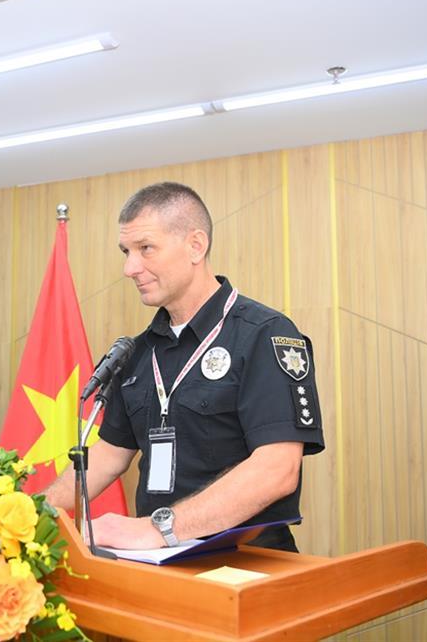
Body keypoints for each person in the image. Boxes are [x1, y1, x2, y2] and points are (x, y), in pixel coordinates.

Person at [43, 182, 325, 552]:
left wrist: (158, 530)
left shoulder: (265, 335)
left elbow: (277, 470)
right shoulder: (137, 353)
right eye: (126, 251)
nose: (130, 267)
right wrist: (26, 515)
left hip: (248, 564)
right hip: (156, 564)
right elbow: (107, 457)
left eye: (146, 249)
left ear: (196, 245)